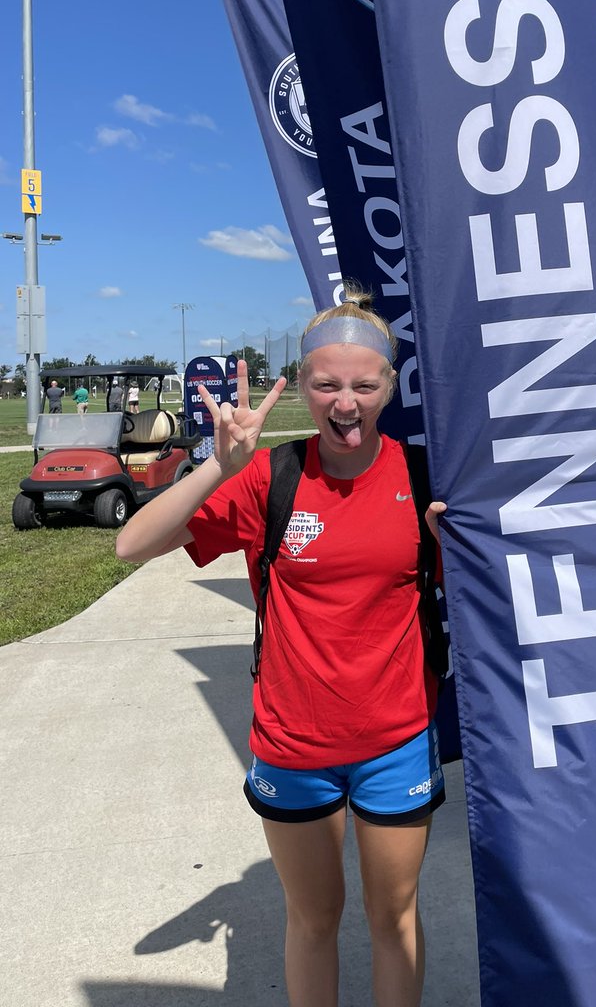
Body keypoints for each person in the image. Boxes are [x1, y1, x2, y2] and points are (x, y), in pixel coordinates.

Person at [116, 290, 447, 1007]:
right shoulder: (272, 479)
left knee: (393, 919)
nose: (346, 401)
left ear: (391, 386)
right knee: (313, 919)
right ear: (301, 386)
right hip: (293, 744)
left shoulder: (424, 480)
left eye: (365, 384)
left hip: (398, 739)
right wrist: (218, 465)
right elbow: (130, 543)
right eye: (327, 383)